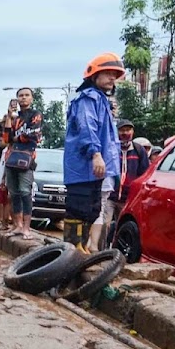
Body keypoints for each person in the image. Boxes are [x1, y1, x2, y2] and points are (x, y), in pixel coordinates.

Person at [64, 53, 124, 253]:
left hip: (96, 168)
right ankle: (71, 249)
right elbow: (87, 127)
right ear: (93, 76)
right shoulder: (87, 98)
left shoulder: (101, 101)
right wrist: (95, 154)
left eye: (114, 75)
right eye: (106, 73)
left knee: (91, 210)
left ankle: (82, 248)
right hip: (84, 166)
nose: (111, 78)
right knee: (77, 209)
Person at [99, 119, 151, 250]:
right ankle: (100, 252)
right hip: (111, 195)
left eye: (128, 130)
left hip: (129, 199)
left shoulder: (139, 151)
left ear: (133, 132)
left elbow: (144, 174)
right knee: (104, 225)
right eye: (122, 130)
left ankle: (119, 253)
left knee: (123, 228)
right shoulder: (111, 149)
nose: (125, 133)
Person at [2, 88, 43, 239]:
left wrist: (15, 139)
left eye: (26, 95)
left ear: (32, 98)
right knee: (14, 193)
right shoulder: (15, 118)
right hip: (12, 158)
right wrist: (8, 115)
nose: (23, 98)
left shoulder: (36, 114)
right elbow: (6, 138)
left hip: (27, 158)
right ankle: (18, 225)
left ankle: (26, 227)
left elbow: (34, 134)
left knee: (25, 192)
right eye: (20, 96)